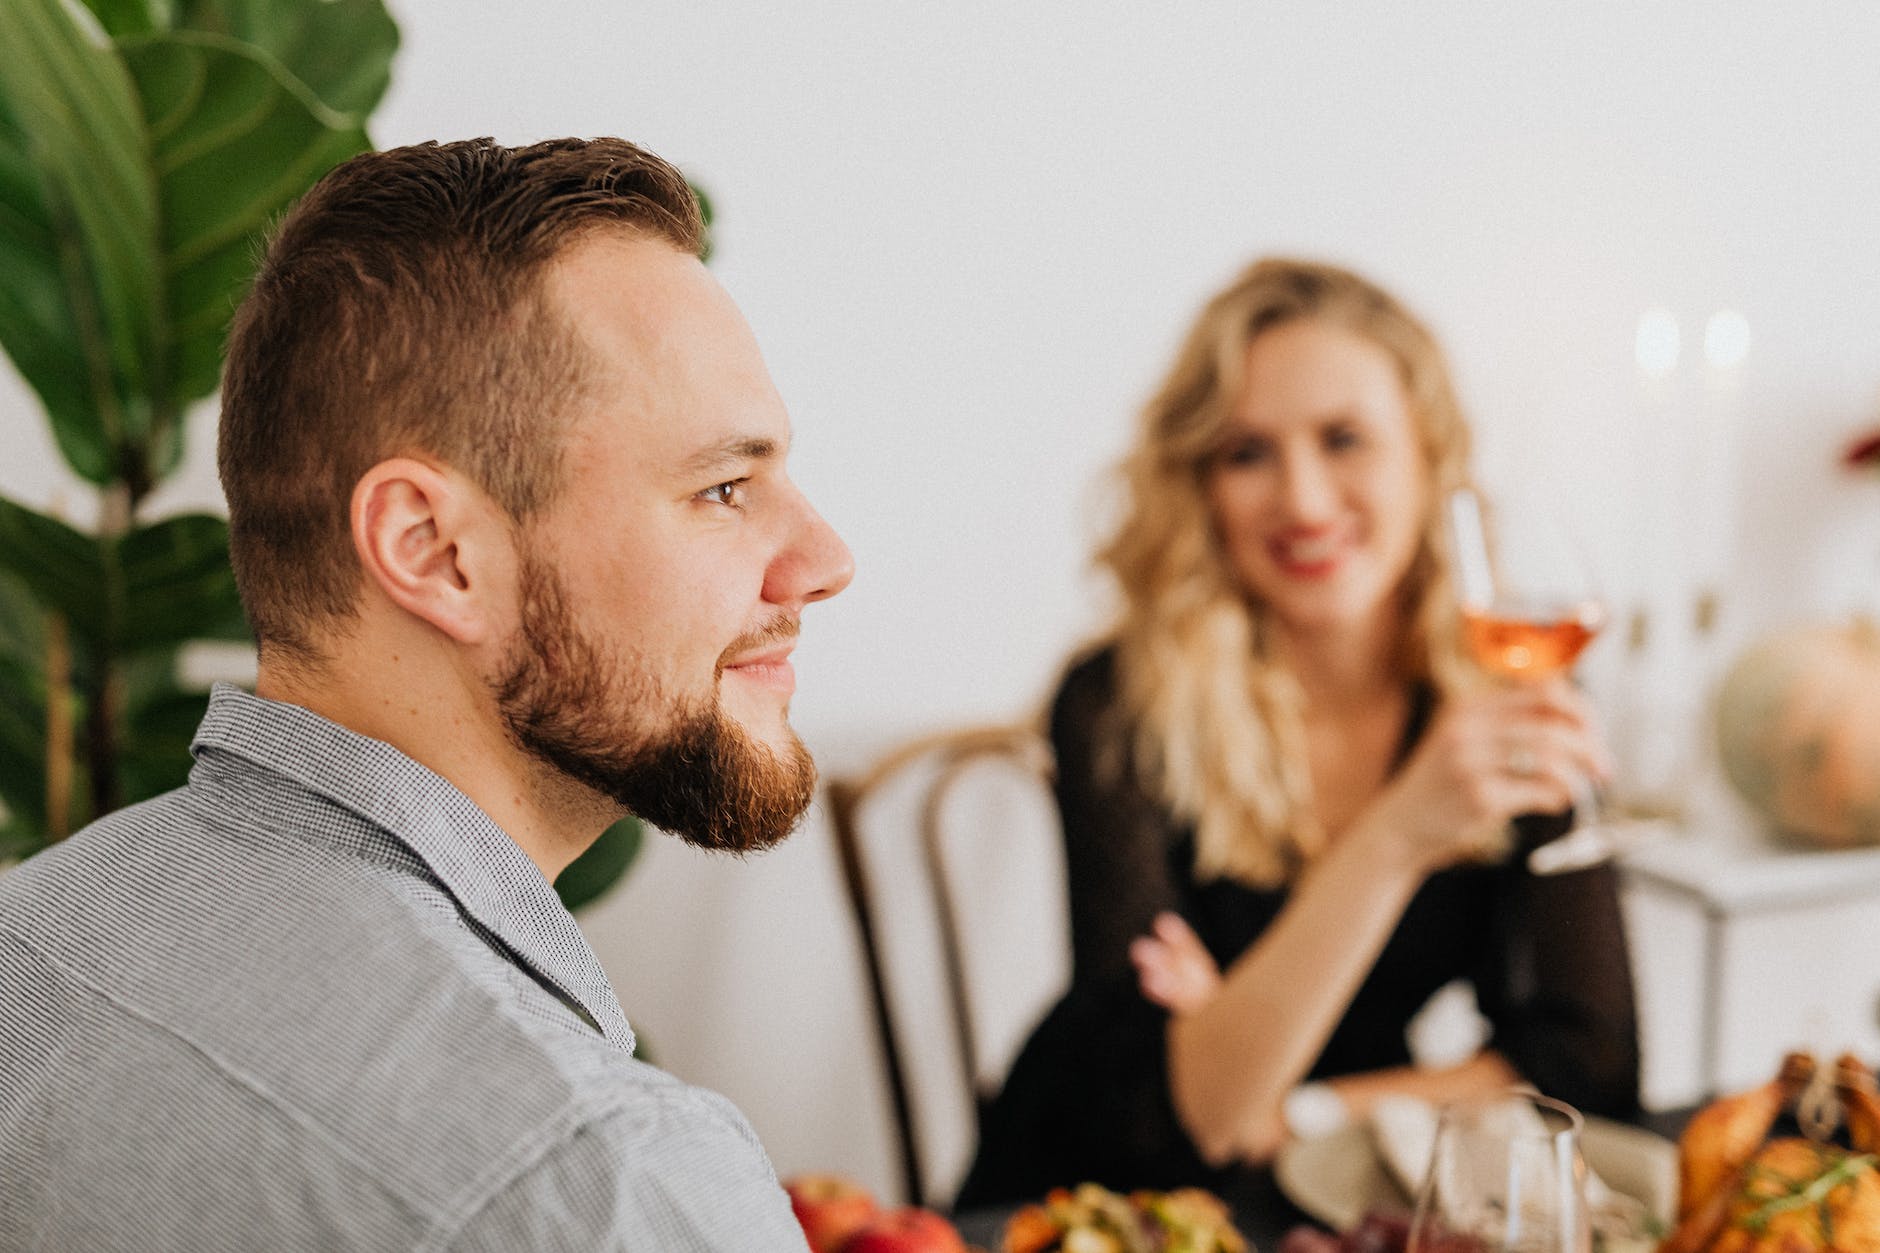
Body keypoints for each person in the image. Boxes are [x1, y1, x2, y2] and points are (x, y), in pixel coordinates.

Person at [0, 138, 852, 1250]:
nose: (824, 557)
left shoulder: (32, 936)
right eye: (723, 487)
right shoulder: (602, 1186)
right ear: (434, 550)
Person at [958, 257, 1638, 1205]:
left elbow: (1590, 1066)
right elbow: (1195, 1120)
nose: (1304, 500)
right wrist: (1402, 832)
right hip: (1100, 1195)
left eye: (1344, 438)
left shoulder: (1511, 690)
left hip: (1338, 1188)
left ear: (1429, 456)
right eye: (1247, 453)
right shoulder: (1117, 701)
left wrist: (1297, 1092)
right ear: (1200, 484)